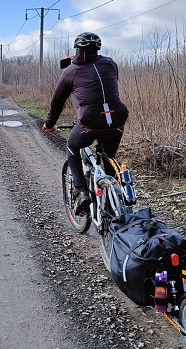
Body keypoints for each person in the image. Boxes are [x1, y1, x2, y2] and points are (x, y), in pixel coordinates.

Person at [42, 32, 129, 213]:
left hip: (90, 122)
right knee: (109, 157)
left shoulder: (70, 71)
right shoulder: (110, 64)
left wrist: (50, 124)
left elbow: (57, 102)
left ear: (77, 48)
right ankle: (113, 198)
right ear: (98, 48)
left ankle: (81, 192)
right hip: (117, 120)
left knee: (72, 146)